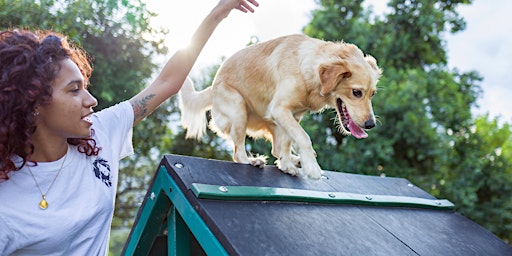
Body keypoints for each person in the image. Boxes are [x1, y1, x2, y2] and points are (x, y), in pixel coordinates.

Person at [0, 0, 259, 254]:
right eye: (74, 90)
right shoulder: (6, 200)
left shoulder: (98, 133)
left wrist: (218, 11)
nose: (92, 101)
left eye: (85, 87)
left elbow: (167, 82)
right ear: (33, 103)